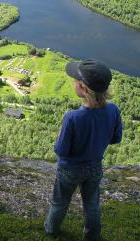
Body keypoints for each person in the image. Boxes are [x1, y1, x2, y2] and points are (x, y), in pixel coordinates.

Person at [44, 59, 123, 241]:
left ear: (84, 89)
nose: (73, 83)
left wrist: (60, 138)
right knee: (92, 203)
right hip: (95, 167)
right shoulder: (113, 110)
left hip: (69, 169)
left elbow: (61, 151)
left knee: (60, 202)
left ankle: (51, 230)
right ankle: (92, 236)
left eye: (75, 81)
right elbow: (116, 139)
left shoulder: (72, 117)